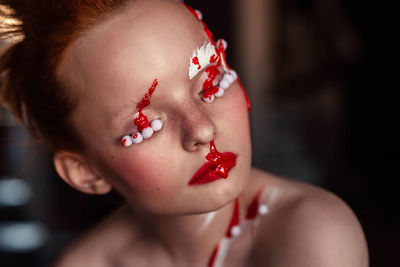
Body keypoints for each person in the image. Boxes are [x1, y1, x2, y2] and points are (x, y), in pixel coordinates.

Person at [0, 0, 368, 266]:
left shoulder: (315, 233)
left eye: (211, 82)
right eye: (145, 126)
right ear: (86, 171)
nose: (202, 129)